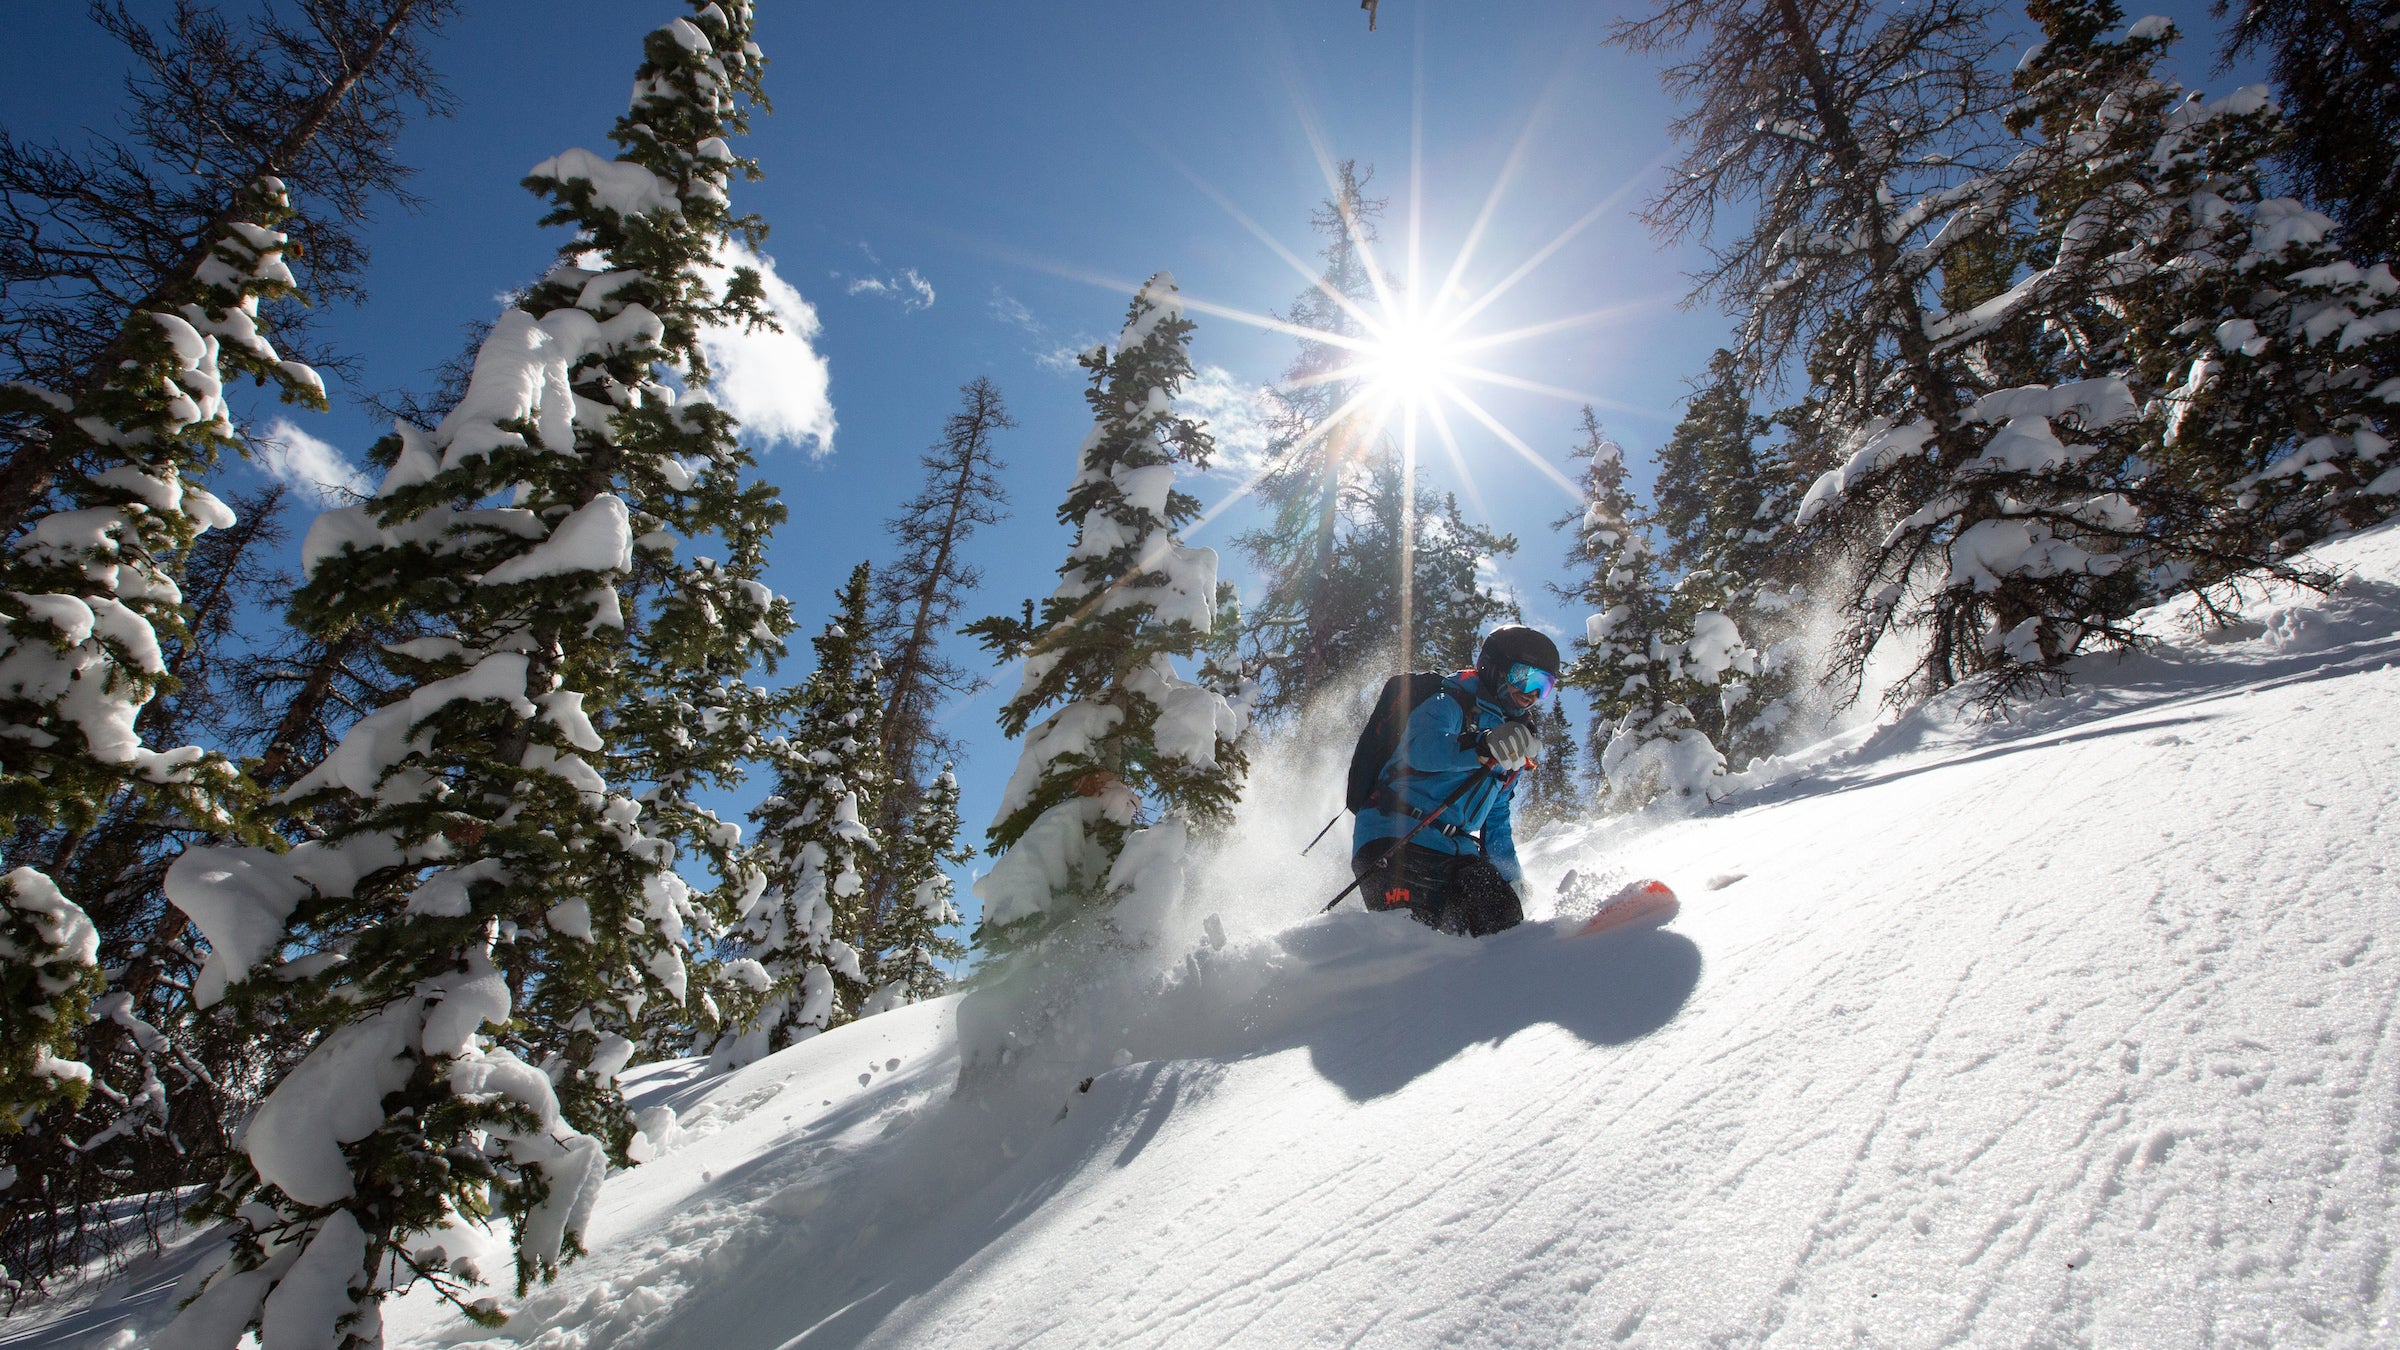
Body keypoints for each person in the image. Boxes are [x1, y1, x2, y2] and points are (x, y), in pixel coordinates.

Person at [1350, 625, 1560, 937]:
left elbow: (1497, 819)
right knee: (1415, 941)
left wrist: (1512, 877)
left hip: (1457, 853)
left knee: (1504, 926)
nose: (1530, 694)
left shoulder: (1512, 742)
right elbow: (1420, 750)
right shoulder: (1449, 701)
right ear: (1495, 667)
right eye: (1524, 677)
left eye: (1543, 686)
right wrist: (1481, 744)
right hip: (1396, 838)